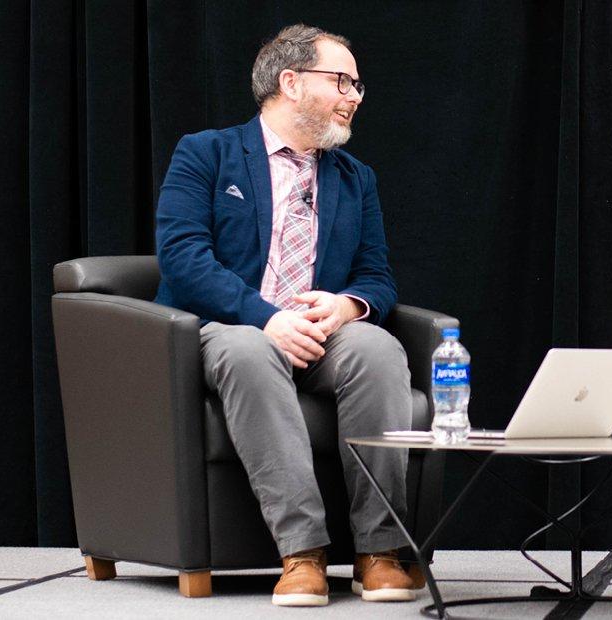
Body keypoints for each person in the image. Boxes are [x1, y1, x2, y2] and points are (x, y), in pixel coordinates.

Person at [153, 24, 420, 607]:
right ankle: (302, 554)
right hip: (227, 332)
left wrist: (347, 305)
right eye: (341, 80)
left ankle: (380, 550)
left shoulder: (355, 179)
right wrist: (265, 317)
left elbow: (377, 277)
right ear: (290, 81)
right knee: (250, 350)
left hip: (320, 340)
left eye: (357, 84)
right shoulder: (207, 153)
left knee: (377, 348)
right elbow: (182, 257)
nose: (355, 95)